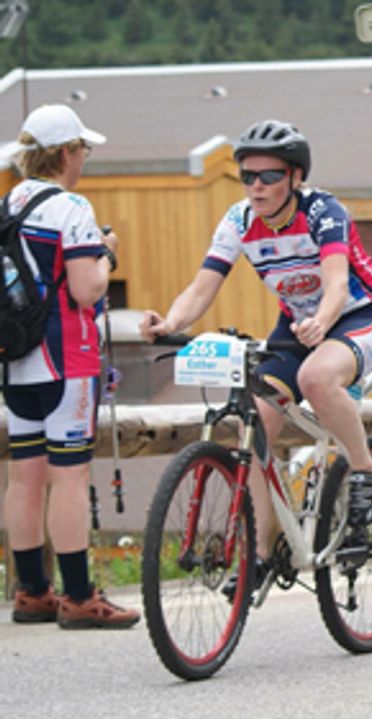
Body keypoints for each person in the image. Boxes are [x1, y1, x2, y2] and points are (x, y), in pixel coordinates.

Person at [139, 119, 372, 590]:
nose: (256, 186)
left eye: (269, 176)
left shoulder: (323, 212)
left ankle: (363, 469)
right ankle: (263, 550)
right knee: (254, 425)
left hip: (360, 314)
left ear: (295, 177)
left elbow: (337, 283)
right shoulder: (239, 221)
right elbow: (202, 287)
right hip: (296, 324)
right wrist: (171, 323)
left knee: (317, 379)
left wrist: (322, 319)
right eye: (247, 176)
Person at [3, 104, 138, 627]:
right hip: (66, 357)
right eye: (83, 149)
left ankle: (31, 590)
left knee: (25, 476)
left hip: (17, 358)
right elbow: (86, 289)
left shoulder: (10, 201)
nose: (85, 158)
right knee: (69, 476)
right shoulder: (71, 208)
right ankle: (79, 597)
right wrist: (107, 254)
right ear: (64, 153)